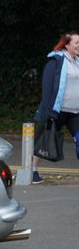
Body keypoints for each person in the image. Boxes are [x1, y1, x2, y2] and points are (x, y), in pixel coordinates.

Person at [32, 31, 79, 183]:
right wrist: (48, 110)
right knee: (45, 141)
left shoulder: (78, 61)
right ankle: (32, 171)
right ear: (67, 45)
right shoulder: (56, 61)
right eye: (77, 43)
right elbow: (47, 87)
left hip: (75, 111)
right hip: (57, 111)